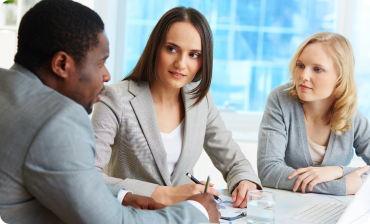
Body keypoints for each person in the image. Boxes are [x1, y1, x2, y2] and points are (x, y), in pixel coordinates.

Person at [0, 0, 220, 223]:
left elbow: (73, 185)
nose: (106, 75)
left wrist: (124, 196)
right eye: (100, 63)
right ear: (62, 65)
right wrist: (196, 212)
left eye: (194, 54)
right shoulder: (58, 121)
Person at [92, 6, 262, 209]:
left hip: (184, 217)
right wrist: (163, 194)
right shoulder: (116, 98)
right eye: (172, 49)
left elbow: (235, 161)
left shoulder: (200, 99)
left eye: (194, 54)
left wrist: (245, 181)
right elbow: (88, 175)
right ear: (155, 48)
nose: (181, 63)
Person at [257, 32, 370, 196]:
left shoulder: (351, 116)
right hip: (286, 208)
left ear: (340, 78)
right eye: (301, 65)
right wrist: (341, 186)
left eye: (317, 69)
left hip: (331, 211)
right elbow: (268, 171)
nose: (304, 76)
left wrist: (337, 171)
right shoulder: (280, 100)